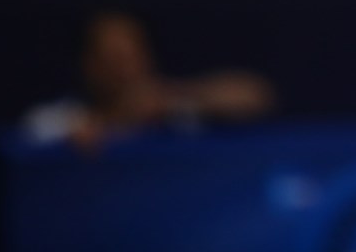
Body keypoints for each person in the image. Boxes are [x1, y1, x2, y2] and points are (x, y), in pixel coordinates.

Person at [22, 10, 276, 153]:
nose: (123, 70)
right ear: (88, 64)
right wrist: (111, 125)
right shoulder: (56, 120)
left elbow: (254, 95)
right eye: (112, 59)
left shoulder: (173, 111)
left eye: (131, 57)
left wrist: (172, 96)